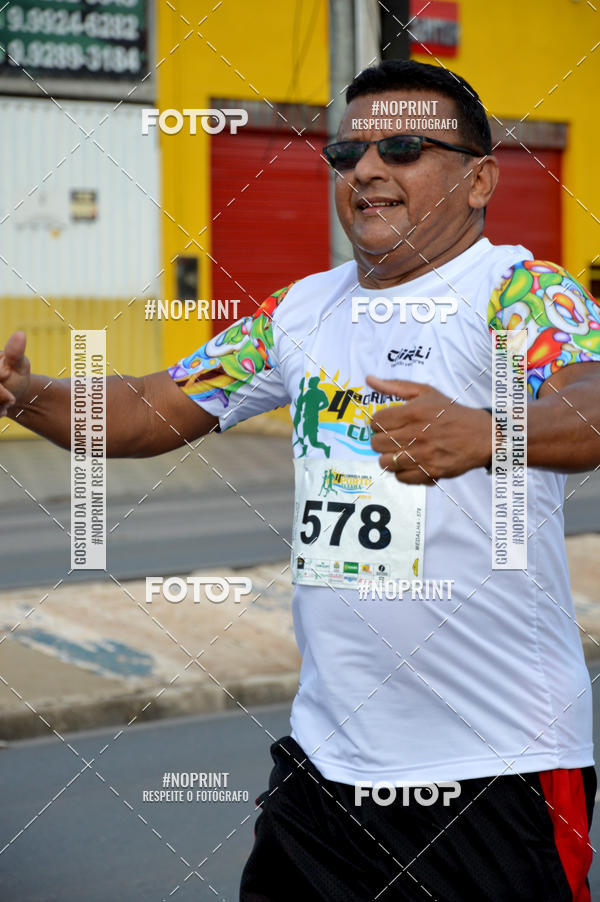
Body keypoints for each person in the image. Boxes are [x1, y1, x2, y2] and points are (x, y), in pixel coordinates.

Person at [2, 60, 600, 901]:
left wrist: (489, 433)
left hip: (498, 766)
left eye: (402, 146)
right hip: (325, 772)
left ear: (479, 180)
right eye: (347, 151)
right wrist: (23, 395)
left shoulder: (519, 293)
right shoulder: (300, 311)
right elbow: (150, 406)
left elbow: (592, 401)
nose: (366, 169)